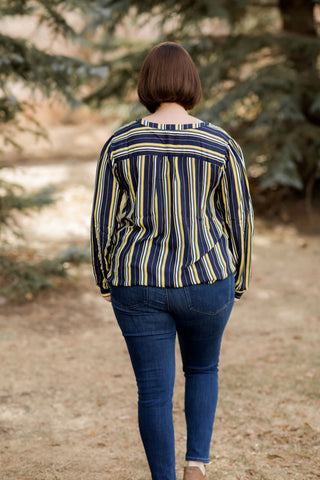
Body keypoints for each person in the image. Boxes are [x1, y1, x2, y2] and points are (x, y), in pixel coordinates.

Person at [91, 42, 253, 480]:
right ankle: (196, 462)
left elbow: (102, 219)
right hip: (207, 279)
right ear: (191, 84)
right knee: (203, 367)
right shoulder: (221, 144)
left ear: (146, 84)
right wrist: (239, 280)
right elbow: (239, 219)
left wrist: (104, 278)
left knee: (154, 392)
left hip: (137, 279)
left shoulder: (120, 144)